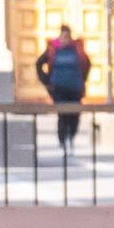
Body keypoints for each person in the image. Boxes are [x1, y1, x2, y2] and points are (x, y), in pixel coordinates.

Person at [36, 25, 92, 153]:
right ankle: (62, 141)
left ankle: (71, 137)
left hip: (75, 88)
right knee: (62, 115)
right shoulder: (52, 49)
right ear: (60, 35)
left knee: (75, 115)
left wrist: (82, 78)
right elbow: (39, 63)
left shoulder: (77, 49)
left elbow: (87, 63)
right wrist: (46, 80)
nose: (65, 39)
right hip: (59, 89)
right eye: (64, 36)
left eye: (68, 36)